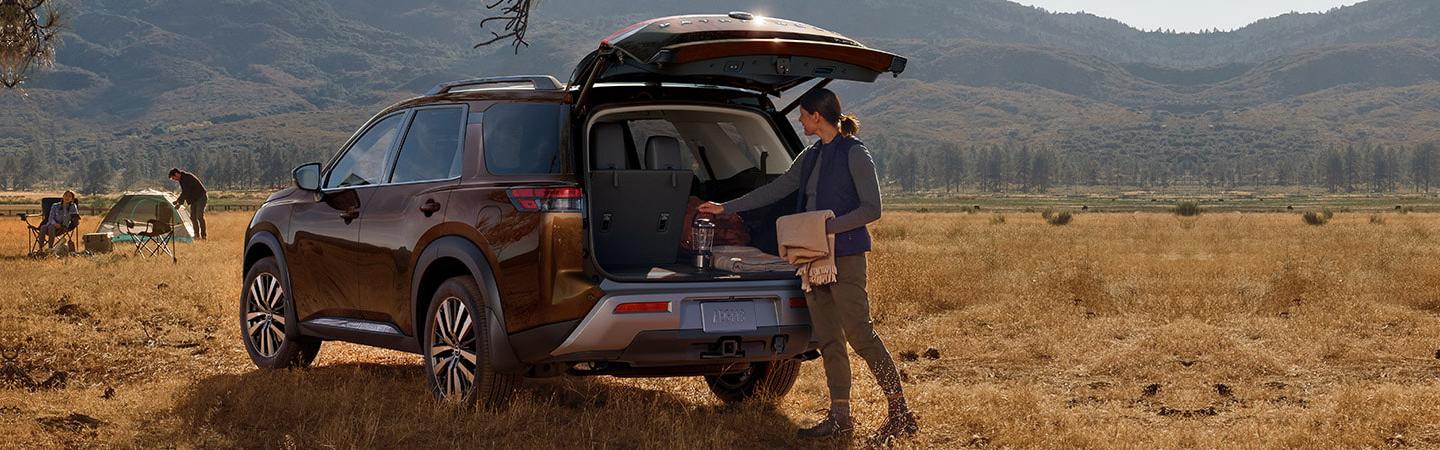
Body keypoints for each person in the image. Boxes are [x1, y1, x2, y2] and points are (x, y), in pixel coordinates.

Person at [697, 88, 918, 443]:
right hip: (812, 257)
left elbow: (872, 209)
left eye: (802, 114)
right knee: (829, 339)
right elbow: (778, 188)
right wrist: (725, 207)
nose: (799, 120)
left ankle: (900, 412)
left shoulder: (855, 153)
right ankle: (840, 417)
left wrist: (825, 228)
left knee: (860, 335)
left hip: (844, 256)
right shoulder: (811, 156)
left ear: (817, 115)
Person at [169, 168, 208, 240]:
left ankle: (203, 236)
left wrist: (179, 202)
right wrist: (178, 202)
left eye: (174, 178)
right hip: (194, 200)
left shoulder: (187, 177)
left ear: (177, 174)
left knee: (199, 215)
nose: (175, 180)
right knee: (193, 217)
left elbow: (186, 192)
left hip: (201, 197)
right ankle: (196, 235)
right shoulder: (182, 180)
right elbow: (185, 192)